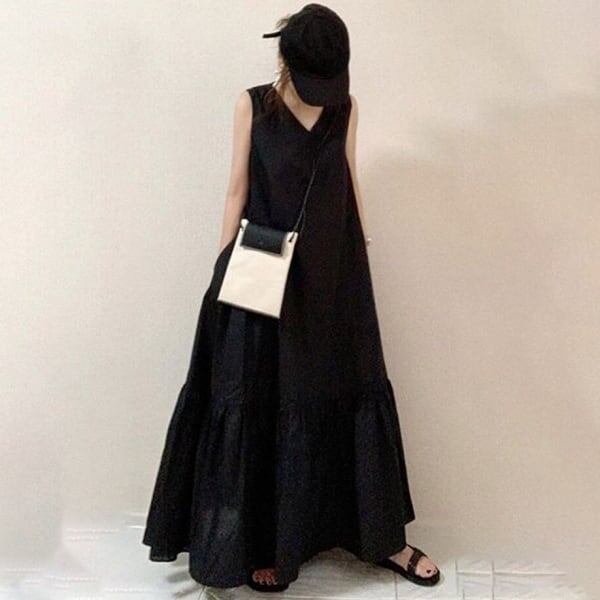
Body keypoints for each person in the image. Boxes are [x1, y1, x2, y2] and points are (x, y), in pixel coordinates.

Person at [142, 3, 441, 592]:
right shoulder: (252, 105)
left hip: (335, 274)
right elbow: (236, 191)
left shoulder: (346, 108)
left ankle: (382, 536)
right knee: (270, 400)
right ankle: (274, 544)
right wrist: (222, 273)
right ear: (285, 59)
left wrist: (361, 255)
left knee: (350, 388)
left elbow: (348, 178)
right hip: (265, 277)